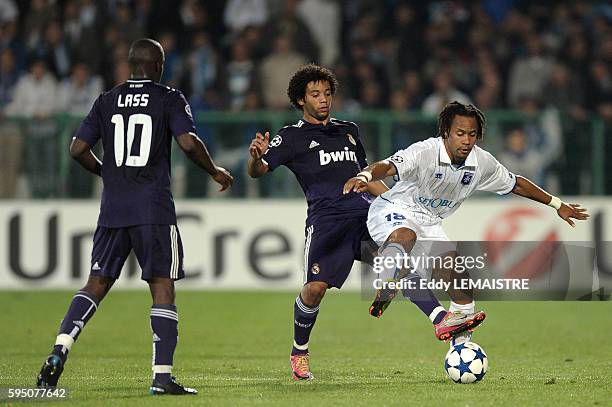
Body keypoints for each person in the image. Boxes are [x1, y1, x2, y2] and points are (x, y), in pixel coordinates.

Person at [247, 65, 483, 381]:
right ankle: (299, 351)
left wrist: (392, 203)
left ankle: (440, 319)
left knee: (399, 264)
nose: (324, 100)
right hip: (327, 221)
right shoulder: (291, 137)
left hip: (365, 215)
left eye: (328, 94)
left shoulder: (349, 130)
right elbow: (258, 170)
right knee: (314, 290)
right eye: (315, 94)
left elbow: (366, 176)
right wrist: (255, 157)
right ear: (300, 100)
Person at [36, 38, 233, 395]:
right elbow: (188, 143)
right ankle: (161, 377)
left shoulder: (106, 100)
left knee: (96, 284)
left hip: (113, 208)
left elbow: (77, 148)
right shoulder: (168, 97)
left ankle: (59, 349)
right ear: (158, 65)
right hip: (153, 209)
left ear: (130, 66)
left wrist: (107, 172)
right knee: (162, 287)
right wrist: (215, 171)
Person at [343, 101, 589, 346]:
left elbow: (516, 183)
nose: (466, 140)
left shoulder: (482, 163)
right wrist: (365, 175)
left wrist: (557, 204)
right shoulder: (425, 151)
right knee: (405, 235)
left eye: (472, 134)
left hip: (430, 223)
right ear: (446, 133)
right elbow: (388, 166)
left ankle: (461, 348)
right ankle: (388, 279)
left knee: (461, 285)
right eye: (460, 133)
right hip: (393, 209)